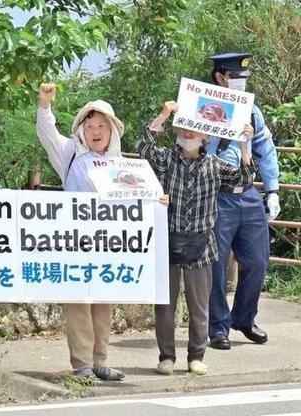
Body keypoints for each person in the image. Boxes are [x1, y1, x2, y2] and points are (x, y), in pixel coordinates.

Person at [137, 100, 254, 376]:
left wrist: (244, 145)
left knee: (199, 305)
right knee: (164, 304)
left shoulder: (214, 165)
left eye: (194, 129)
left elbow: (243, 182)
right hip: (167, 241)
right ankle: (166, 356)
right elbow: (143, 148)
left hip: (203, 245)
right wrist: (164, 113)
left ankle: (196, 356)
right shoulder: (166, 159)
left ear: (205, 135)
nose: (188, 134)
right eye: (184, 127)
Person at [36, 82, 127, 381]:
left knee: (104, 301)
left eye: (102, 125)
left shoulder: (121, 164)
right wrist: (45, 105)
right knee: (78, 303)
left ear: (112, 130)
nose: (96, 131)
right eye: (90, 126)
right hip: (75, 242)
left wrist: (157, 200)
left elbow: (137, 200)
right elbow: (48, 136)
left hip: (109, 244)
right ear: (82, 131)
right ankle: (82, 365)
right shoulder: (71, 156)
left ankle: (101, 360)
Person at [206, 53, 280, 350]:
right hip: (217, 193)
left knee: (258, 260)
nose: (241, 82)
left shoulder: (253, 111)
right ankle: (218, 327)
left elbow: (267, 149)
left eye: (244, 78)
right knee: (217, 265)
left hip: (248, 193)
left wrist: (272, 190)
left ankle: (244, 318)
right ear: (219, 78)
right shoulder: (204, 106)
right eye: (235, 77)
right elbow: (191, 147)